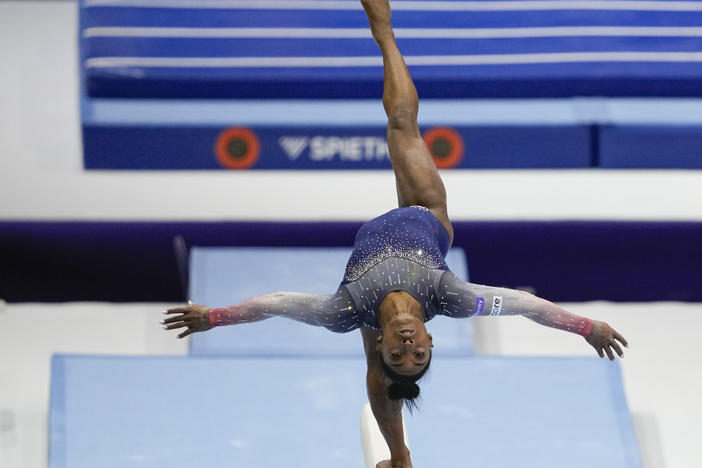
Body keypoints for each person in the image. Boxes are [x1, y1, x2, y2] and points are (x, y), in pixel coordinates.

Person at [162, 1, 628, 466]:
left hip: (366, 302)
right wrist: (586, 327)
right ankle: (383, 28)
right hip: (425, 213)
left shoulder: (344, 311)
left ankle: (398, 454)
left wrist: (216, 317)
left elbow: (275, 304)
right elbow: (527, 306)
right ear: (430, 340)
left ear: (386, 344)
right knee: (403, 124)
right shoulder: (453, 297)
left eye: (398, 355)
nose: (407, 348)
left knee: (368, 349)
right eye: (418, 355)